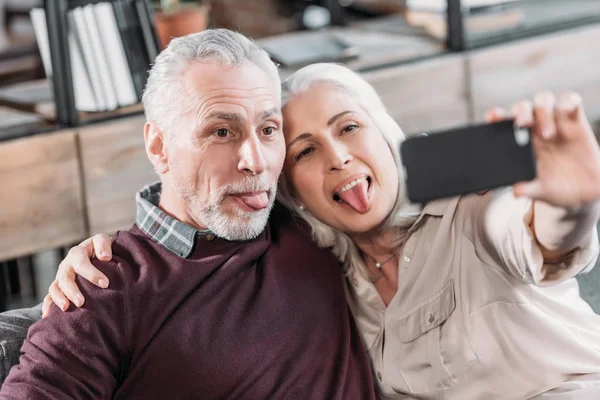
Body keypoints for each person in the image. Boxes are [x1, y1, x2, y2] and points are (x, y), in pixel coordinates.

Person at [36, 61, 600, 400]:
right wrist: (110, 251)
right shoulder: (317, 268)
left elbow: (540, 236)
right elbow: (208, 205)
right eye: (306, 150)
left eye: (350, 127)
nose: (337, 157)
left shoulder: (468, 208)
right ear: (292, 189)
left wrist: (571, 203)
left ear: (387, 135)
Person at [0, 31, 378, 399]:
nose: (256, 162)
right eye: (221, 132)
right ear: (159, 146)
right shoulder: (101, 288)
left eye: (268, 129)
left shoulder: (311, 212)